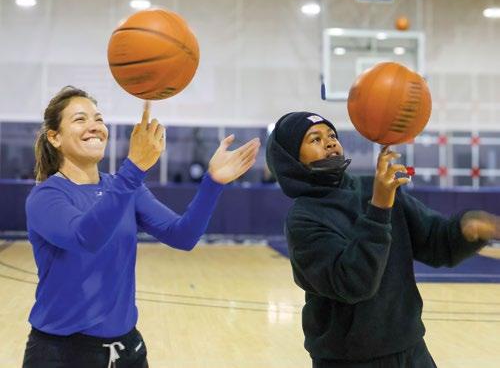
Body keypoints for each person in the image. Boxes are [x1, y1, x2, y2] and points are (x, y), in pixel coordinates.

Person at [22, 86, 260, 368]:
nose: (94, 126)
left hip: (127, 350)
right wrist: (133, 168)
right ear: (54, 137)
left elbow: (183, 235)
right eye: (80, 119)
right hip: (61, 354)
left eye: (98, 119)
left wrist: (213, 183)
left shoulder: (125, 187)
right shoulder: (46, 196)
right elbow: (86, 237)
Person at [265, 111, 499, 368]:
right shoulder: (303, 219)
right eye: (315, 139)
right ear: (292, 159)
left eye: (332, 135)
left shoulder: (374, 188)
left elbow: (436, 243)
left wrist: (468, 229)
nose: (330, 142)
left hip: (411, 350)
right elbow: (354, 282)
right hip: (348, 361)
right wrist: (379, 207)